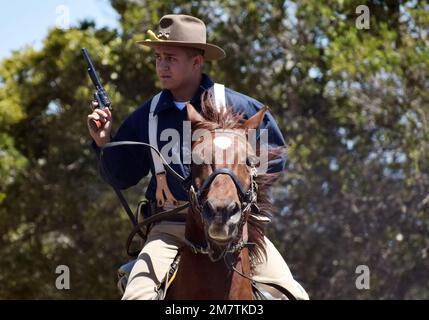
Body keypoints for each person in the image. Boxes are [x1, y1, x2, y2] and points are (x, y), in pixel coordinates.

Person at [87, 14, 309, 300]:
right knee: (136, 296)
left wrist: (239, 197)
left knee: (294, 295)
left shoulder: (238, 106)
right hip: (170, 230)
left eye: (171, 58)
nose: (162, 65)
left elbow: (273, 161)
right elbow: (121, 176)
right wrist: (102, 141)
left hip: (236, 229)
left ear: (196, 62)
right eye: (158, 57)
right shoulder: (148, 115)